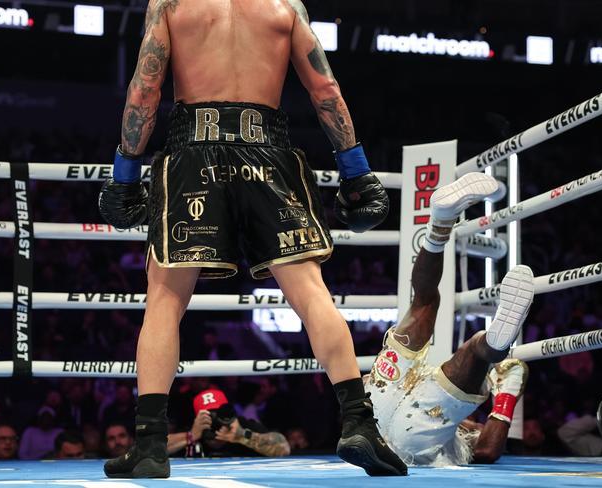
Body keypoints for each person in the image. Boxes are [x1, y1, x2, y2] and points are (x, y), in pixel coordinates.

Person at [99, 0, 405, 478]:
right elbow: (324, 87)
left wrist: (124, 173)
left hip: (193, 155)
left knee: (164, 298)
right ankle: (359, 422)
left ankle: (151, 445)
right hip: (269, 154)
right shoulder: (285, 6)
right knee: (309, 291)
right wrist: (356, 171)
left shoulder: (172, 4)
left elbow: (145, 88)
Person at [365, 173, 535, 466]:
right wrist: (505, 396)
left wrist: (507, 390)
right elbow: (486, 448)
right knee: (444, 323)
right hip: (386, 414)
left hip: (396, 422)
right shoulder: (459, 433)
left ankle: (441, 226)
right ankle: (495, 342)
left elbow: (487, 449)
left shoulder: (457, 431)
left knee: (437, 314)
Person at [167, 388, 290, 458]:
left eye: (218, 414)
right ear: (198, 418)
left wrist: (242, 436)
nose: (215, 422)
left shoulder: (241, 426)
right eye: (209, 416)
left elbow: (284, 448)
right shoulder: (192, 432)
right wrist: (190, 436)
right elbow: (152, 448)